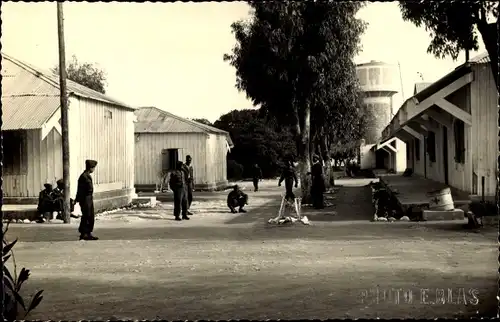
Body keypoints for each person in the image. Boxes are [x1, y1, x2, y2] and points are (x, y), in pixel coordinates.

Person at [76, 159, 99, 240]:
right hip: (86, 199)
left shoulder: (85, 176)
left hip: (87, 198)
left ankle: (86, 232)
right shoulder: (84, 177)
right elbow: (81, 190)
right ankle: (85, 233)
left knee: (88, 215)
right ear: (91, 168)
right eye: (93, 168)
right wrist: (78, 199)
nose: (94, 169)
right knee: (88, 215)